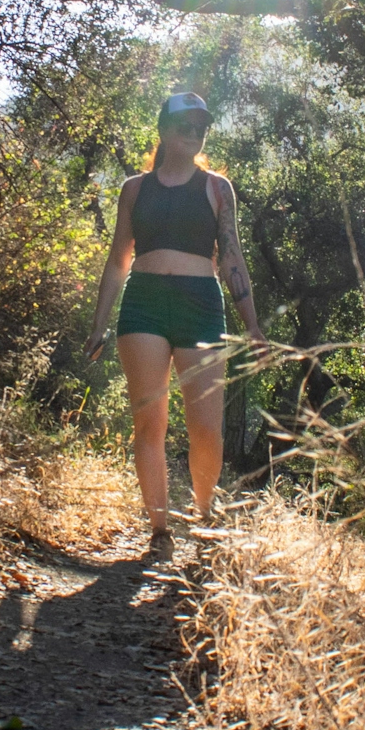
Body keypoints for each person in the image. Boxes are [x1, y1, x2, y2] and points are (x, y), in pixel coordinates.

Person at [83, 92, 267, 548]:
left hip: (201, 304)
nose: (194, 131)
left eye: (200, 125)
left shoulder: (217, 188)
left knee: (206, 428)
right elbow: (116, 261)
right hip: (143, 302)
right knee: (150, 424)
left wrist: (253, 325)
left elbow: (232, 258)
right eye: (185, 123)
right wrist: (98, 324)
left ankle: (204, 517)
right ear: (164, 129)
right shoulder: (133, 189)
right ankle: (160, 531)